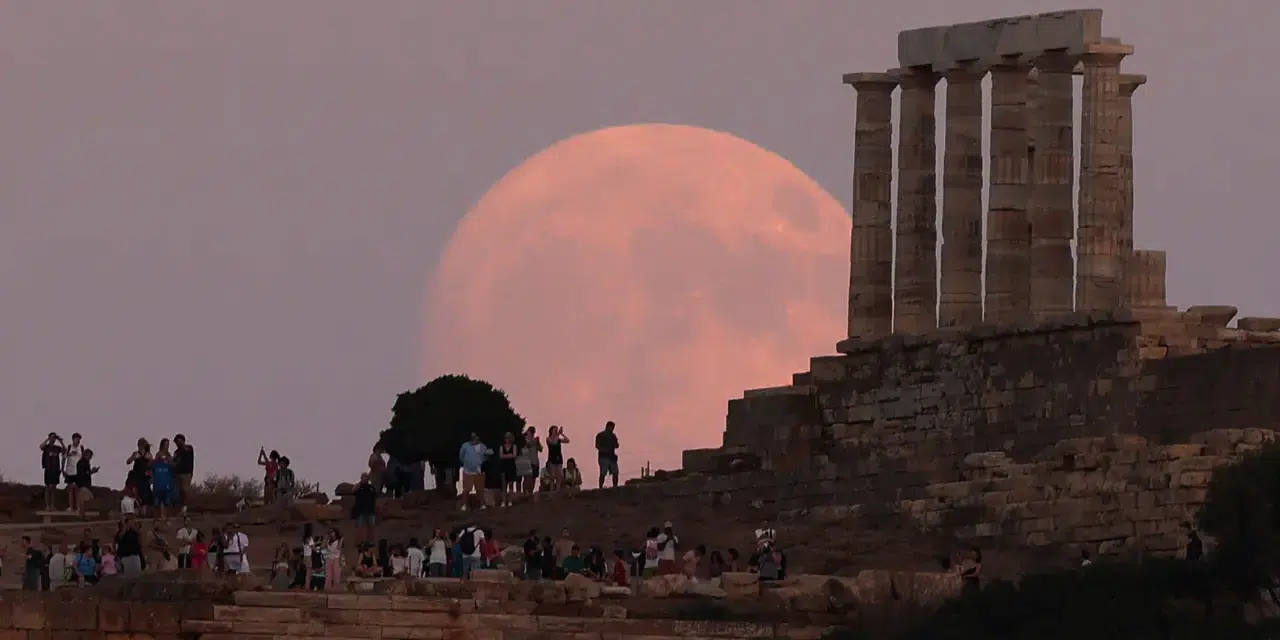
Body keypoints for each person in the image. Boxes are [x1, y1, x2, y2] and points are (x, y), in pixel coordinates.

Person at [458, 433, 490, 511]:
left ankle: (482, 504)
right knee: (466, 489)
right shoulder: (465, 445)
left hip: (479, 472)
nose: (474, 439)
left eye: (476, 437)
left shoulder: (483, 446)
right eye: (473, 437)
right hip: (468, 472)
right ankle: (464, 505)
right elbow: (461, 457)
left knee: (480, 489)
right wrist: (467, 463)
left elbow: (486, 457)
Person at [126, 439, 153, 517]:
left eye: (141, 444)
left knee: (145, 495)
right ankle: (136, 512)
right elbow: (128, 462)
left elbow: (151, 466)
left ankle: (143, 513)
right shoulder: (136, 453)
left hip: (144, 477)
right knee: (136, 494)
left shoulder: (148, 454)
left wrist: (151, 476)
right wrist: (133, 458)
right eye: (138, 444)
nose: (139, 446)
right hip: (136, 476)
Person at [40, 432, 65, 511]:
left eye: (54, 438)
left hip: (56, 469)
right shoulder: (46, 447)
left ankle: (52, 505)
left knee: (53, 488)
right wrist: (48, 439)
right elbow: (41, 446)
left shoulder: (57, 448)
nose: (53, 439)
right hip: (48, 468)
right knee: (47, 488)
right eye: (52, 437)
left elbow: (65, 450)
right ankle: (47, 505)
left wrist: (60, 440)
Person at [151, 440, 176, 518]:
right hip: (159, 479)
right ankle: (157, 517)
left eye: (168, 445)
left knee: (167, 500)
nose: (167, 446)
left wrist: (170, 461)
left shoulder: (169, 455)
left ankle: (166, 517)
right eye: (166, 444)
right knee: (157, 500)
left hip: (167, 480)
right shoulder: (159, 454)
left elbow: (172, 465)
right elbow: (154, 464)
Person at [72, 449, 99, 516]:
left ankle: (82, 514)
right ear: (86, 455)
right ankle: (81, 514)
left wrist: (92, 472)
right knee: (83, 500)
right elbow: (82, 474)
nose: (91, 457)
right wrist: (91, 471)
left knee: (86, 499)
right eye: (90, 456)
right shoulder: (82, 463)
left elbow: (86, 474)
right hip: (82, 485)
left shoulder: (85, 463)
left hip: (84, 485)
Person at [351, 474, 378, 543]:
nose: (365, 479)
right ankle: (359, 543)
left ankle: (370, 543)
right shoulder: (358, 487)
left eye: (366, 478)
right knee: (360, 527)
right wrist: (360, 483)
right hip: (360, 511)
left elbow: (375, 496)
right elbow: (353, 490)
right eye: (363, 477)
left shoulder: (371, 487)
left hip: (370, 511)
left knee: (371, 527)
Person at [63, 433, 85, 512]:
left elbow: (83, 459)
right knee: (70, 490)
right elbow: (64, 458)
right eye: (76, 439)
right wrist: (63, 470)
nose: (78, 441)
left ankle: (78, 507)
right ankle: (70, 507)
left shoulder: (81, 448)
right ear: (73, 439)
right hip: (69, 471)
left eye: (79, 439)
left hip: (78, 472)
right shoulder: (69, 447)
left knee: (77, 490)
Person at [595, 421, 620, 489]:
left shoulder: (613, 435)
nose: (612, 429)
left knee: (615, 472)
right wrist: (605, 450)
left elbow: (617, 445)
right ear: (608, 426)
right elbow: (597, 446)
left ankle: (615, 487)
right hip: (603, 457)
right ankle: (600, 487)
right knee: (603, 473)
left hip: (611, 457)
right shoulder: (601, 435)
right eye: (611, 427)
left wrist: (613, 445)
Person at [173, 434, 195, 510]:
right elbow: (174, 461)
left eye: (179, 441)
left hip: (186, 473)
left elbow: (185, 449)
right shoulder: (176, 452)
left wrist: (181, 444)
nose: (178, 444)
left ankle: (184, 508)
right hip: (177, 473)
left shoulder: (189, 448)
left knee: (184, 490)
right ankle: (178, 508)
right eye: (176, 442)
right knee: (178, 491)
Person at [498, 433, 519, 507]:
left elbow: (514, 455)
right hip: (504, 467)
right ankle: (503, 501)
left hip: (511, 467)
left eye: (509, 438)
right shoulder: (502, 447)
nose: (508, 439)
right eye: (506, 438)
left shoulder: (514, 446)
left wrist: (506, 456)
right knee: (504, 485)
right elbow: (501, 456)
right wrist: (509, 455)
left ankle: (510, 501)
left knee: (510, 484)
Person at [545, 426, 569, 491]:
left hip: (559, 458)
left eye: (556, 430)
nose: (556, 431)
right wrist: (558, 434)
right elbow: (553, 443)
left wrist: (562, 434)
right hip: (551, 459)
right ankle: (552, 492)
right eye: (554, 430)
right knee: (552, 477)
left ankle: (557, 492)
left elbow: (567, 440)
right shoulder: (548, 439)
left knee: (558, 477)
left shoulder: (558, 439)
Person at [519, 427, 542, 495]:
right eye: (530, 431)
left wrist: (537, 442)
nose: (532, 433)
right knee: (526, 478)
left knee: (533, 478)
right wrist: (532, 442)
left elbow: (540, 449)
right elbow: (526, 446)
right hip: (526, 461)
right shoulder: (524, 440)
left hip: (535, 461)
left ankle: (530, 492)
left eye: (533, 432)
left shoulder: (535, 440)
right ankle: (525, 493)